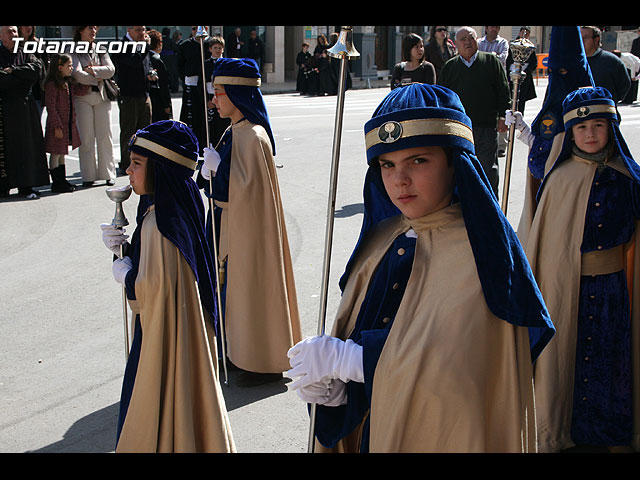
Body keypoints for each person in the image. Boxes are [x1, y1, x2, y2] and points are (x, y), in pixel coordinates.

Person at [286, 83, 555, 453]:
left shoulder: (485, 252)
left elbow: (466, 372)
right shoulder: (382, 237)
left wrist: (354, 359)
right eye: (387, 164)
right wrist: (336, 392)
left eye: (418, 160)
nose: (399, 180)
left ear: (454, 161)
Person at [101, 119, 235, 453]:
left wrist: (127, 276)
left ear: (160, 168)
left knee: (161, 402)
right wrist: (126, 251)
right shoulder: (171, 208)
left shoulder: (159, 226)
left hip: (163, 335)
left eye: (136, 164)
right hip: (181, 327)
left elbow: (153, 289)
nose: (128, 172)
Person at [523, 86, 640, 453]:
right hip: (566, 289)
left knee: (613, 362)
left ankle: (614, 432)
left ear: (612, 128)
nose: (590, 134)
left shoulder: (629, 178)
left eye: (599, 125)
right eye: (581, 127)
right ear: (570, 133)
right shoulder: (560, 180)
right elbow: (544, 244)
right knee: (568, 363)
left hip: (617, 289)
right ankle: (561, 430)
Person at [198, 57, 302, 387]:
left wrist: (215, 173)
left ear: (238, 95)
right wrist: (209, 172)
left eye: (219, 93)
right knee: (229, 291)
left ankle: (259, 358)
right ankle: (238, 351)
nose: (214, 100)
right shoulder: (235, 131)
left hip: (243, 230)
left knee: (248, 288)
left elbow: (241, 192)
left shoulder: (253, 137)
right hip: (229, 224)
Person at [509, 26, 596, 243]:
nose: (558, 77)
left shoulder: (589, 109)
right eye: (553, 73)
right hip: (549, 199)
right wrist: (522, 128)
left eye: (564, 72)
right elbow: (543, 146)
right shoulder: (553, 102)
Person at [438, 26, 510, 197]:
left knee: (487, 168)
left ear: (477, 40)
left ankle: (491, 205)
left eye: (471, 38)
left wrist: (502, 117)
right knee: (461, 168)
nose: (467, 42)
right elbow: (441, 96)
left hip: (486, 125)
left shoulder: (491, 62)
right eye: (462, 39)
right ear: (455, 43)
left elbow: (503, 90)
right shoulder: (450, 67)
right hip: (459, 128)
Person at [0, 25, 49, 199]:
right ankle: (3, 187)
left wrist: (14, 71)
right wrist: (20, 77)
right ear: (1, 36)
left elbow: (36, 70)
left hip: (26, 107)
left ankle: (26, 186)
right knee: (5, 148)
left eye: (14, 31)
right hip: (4, 107)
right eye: (9, 31)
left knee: (27, 146)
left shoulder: (26, 52)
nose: (13, 34)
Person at [71, 25, 117, 187]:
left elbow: (111, 70)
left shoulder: (100, 48)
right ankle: (88, 176)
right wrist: (97, 76)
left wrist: (92, 70)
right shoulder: (73, 49)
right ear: (80, 30)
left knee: (105, 136)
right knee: (86, 138)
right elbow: (77, 74)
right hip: (82, 98)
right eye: (89, 28)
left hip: (102, 96)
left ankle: (108, 174)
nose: (93, 31)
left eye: (95, 28)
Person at [111, 26, 152, 174]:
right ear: (129, 30)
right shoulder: (122, 45)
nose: (142, 33)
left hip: (144, 93)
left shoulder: (143, 46)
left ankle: (143, 161)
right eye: (138, 30)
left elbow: (145, 64)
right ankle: (126, 163)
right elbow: (133, 62)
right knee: (129, 130)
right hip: (129, 95)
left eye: (143, 29)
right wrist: (146, 47)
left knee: (146, 130)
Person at [42, 53, 80, 193]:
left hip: (65, 123)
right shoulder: (52, 85)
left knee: (62, 152)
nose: (71, 68)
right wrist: (57, 125)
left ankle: (62, 180)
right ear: (59, 67)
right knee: (55, 153)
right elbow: (51, 107)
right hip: (56, 125)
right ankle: (56, 182)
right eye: (68, 65)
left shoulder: (66, 83)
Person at [177, 26, 210, 155]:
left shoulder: (210, 44)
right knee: (190, 115)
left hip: (205, 85)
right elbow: (179, 65)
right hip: (191, 83)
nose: (196, 31)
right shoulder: (185, 45)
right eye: (193, 28)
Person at [581, 26, 631, 103]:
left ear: (596, 39)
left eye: (586, 37)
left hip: (606, 109)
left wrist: (610, 100)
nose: (582, 41)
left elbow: (624, 85)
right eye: (579, 37)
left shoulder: (611, 61)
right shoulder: (573, 62)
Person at [204, 35, 230, 149]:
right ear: (210, 49)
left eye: (220, 48)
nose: (217, 50)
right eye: (215, 48)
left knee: (223, 125)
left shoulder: (227, 64)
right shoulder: (206, 64)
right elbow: (202, 84)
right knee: (211, 127)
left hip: (223, 99)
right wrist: (208, 101)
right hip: (210, 98)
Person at [505, 26, 537, 114]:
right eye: (523, 32)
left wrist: (526, 71)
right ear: (519, 33)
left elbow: (534, 63)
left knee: (521, 99)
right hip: (513, 74)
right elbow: (508, 61)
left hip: (525, 77)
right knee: (511, 98)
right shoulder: (513, 45)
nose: (525, 35)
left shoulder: (530, 46)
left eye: (527, 33)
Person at [147, 29, 172, 122]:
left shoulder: (145, 58)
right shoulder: (157, 60)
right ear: (158, 43)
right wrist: (167, 104)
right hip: (159, 101)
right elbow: (163, 84)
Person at [160, 27, 179, 94]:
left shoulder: (160, 40)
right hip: (170, 59)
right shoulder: (170, 40)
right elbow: (176, 49)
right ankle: (173, 88)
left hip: (161, 58)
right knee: (172, 73)